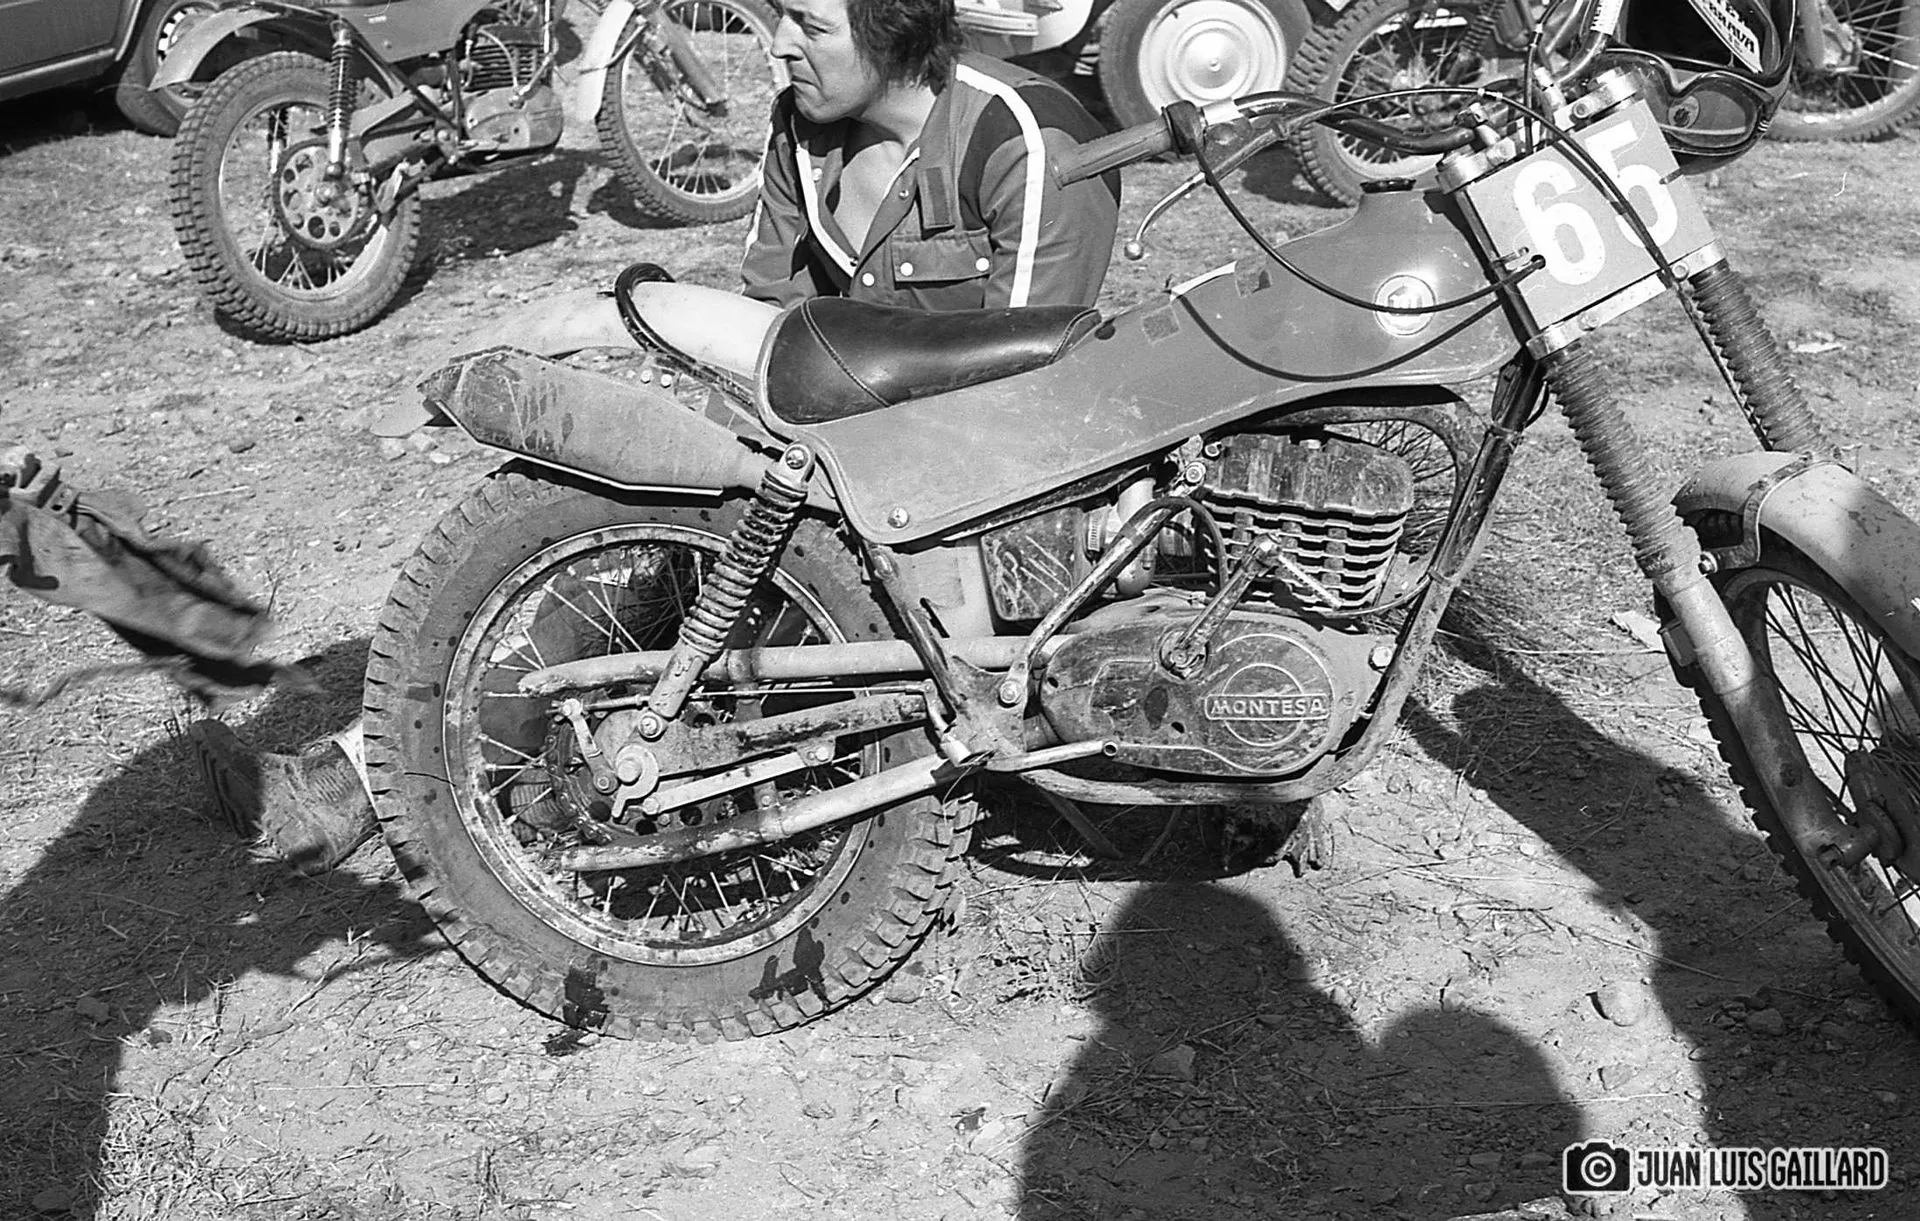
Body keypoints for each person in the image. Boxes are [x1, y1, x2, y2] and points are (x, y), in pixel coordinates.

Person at [191, 0, 1122, 875]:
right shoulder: (806, 125)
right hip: (833, 456)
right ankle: (369, 774)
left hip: (968, 504)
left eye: (809, 24)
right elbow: (771, 318)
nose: (778, 45)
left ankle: (469, 787)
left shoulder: (1024, 137)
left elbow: (1021, 400)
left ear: (896, 22)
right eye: (779, 17)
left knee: (716, 609)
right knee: (626, 535)